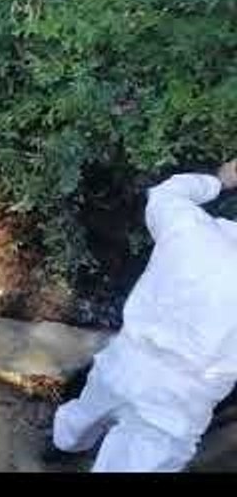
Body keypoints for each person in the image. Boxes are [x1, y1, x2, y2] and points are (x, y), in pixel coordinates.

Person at [50, 158, 237, 472]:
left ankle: (60, 448)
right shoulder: (193, 230)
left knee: (84, 415)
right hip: (181, 401)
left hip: (126, 360)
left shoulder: (191, 228)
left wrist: (221, 179)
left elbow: (167, 193)